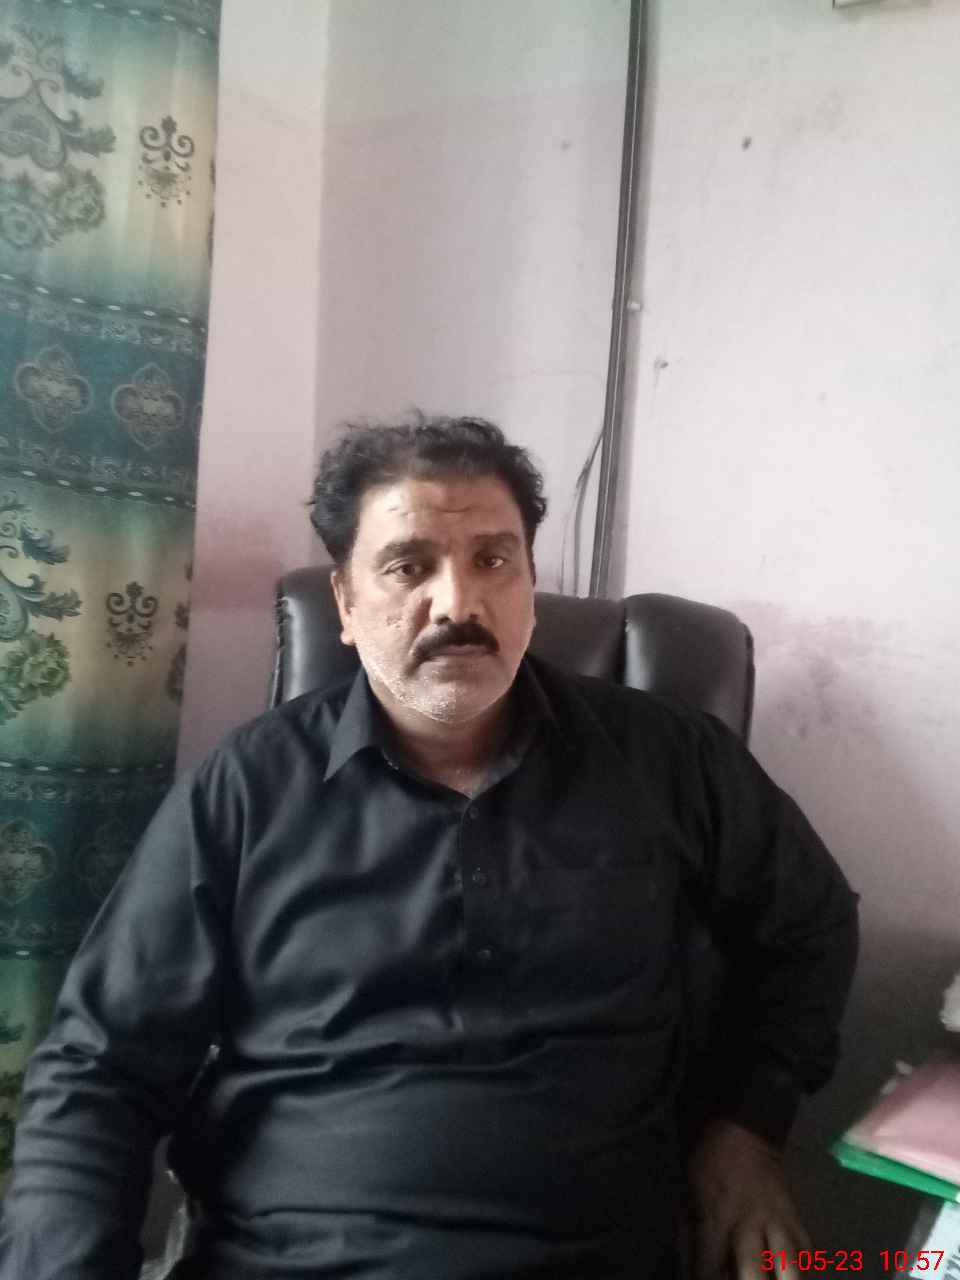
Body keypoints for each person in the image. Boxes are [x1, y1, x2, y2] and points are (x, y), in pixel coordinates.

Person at [0, 415, 859, 1280]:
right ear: (344, 605)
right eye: (409, 567)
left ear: (530, 584)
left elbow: (811, 927)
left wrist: (747, 1130)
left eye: (494, 561)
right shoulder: (249, 789)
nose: (459, 604)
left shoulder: (669, 760)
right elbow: (99, 1069)